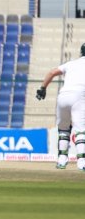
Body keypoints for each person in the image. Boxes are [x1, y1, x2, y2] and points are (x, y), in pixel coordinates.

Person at [36, 43, 85, 171]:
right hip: (79, 96)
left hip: (63, 96)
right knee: (81, 130)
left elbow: (52, 72)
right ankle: (82, 162)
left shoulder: (71, 63)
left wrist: (42, 88)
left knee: (64, 129)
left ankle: (61, 160)